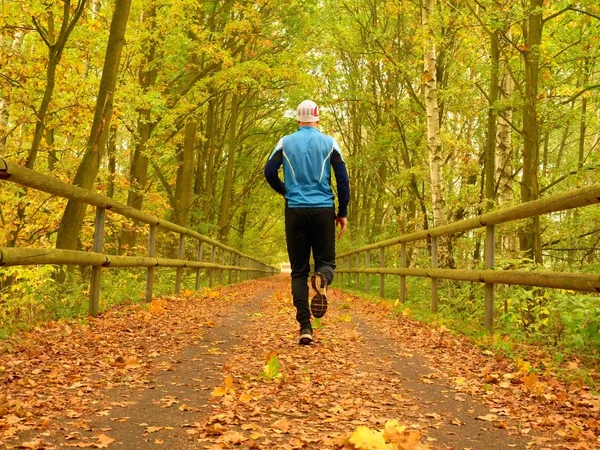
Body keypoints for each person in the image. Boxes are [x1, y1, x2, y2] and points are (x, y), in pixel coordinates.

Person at [264, 100, 350, 345]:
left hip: (295, 210)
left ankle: (305, 327)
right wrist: (341, 212)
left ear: (298, 120)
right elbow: (343, 181)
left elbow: (269, 172)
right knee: (326, 263)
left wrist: (286, 191)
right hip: (323, 210)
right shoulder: (329, 143)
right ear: (317, 119)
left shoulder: (285, 142)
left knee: (299, 272)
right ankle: (322, 276)